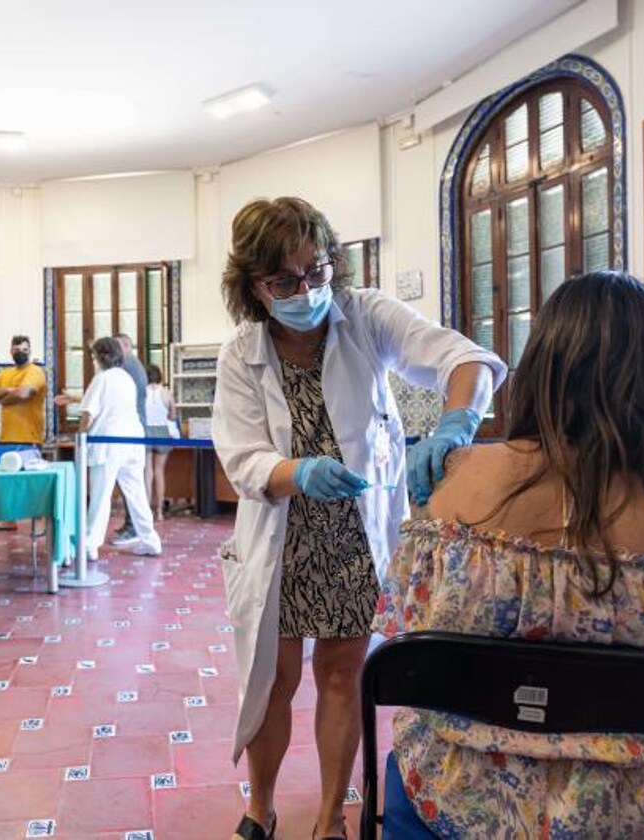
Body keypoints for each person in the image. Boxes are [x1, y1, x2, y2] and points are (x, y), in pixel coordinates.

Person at [373, 271, 644, 837]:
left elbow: (410, 649)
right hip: (612, 816)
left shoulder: (455, 484)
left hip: (453, 794)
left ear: (541, 366)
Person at [212, 197, 504, 840]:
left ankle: (329, 814)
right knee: (274, 679)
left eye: (315, 271)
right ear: (253, 286)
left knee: (342, 674)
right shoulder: (241, 353)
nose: (305, 290)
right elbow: (242, 459)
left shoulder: (365, 315)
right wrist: (301, 472)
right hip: (281, 538)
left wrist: (456, 426)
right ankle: (259, 806)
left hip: (353, 537)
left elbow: (468, 361)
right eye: (283, 281)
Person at [56, 337, 162, 560]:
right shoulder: (126, 378)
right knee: (136, 493)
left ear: (100, 357)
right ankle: (150, 540)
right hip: (133, 441)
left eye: (93, 356)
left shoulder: (101, 378)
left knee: (100, 495)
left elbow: (88, 414)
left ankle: (89, 545)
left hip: (108, 443)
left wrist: (80, 439)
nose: (92, 360)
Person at [0, 334, 47, 530]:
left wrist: (4, 397)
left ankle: (39, 521)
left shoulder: (35, 372)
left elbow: (24, 393)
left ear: (30, 352)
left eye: (25, 350)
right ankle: (8, 520)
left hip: (28, 437)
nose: (21, 353)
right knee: (7, 483)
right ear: (11, 351)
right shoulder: (6, 374)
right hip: (7, 436)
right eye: (17, 350)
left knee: (31, 484)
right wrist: (12, 391)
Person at [110, 333, 148, 545]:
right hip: (133, 430)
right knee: (132, 484)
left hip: (130, 432)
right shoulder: (132, 365)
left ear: (125, 345)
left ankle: (134, 527)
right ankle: (133, 526)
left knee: (131, 484)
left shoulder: (128, 366)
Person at [143, 363, 178, 521]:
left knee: (147, 472)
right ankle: (159, 512)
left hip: (145, 433)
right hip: (162, 433)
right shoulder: (167, 393)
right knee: (159, 472)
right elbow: (172, 417)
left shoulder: (141, 392)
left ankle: (147, 511)